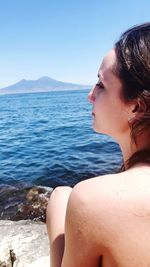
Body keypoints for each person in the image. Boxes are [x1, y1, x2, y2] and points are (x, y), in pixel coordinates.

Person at [46, 23, 150, 267]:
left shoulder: (93, 200)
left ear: (137, 107)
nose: (90, 95)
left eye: (101, 84)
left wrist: (60, 213)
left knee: (61, 196)